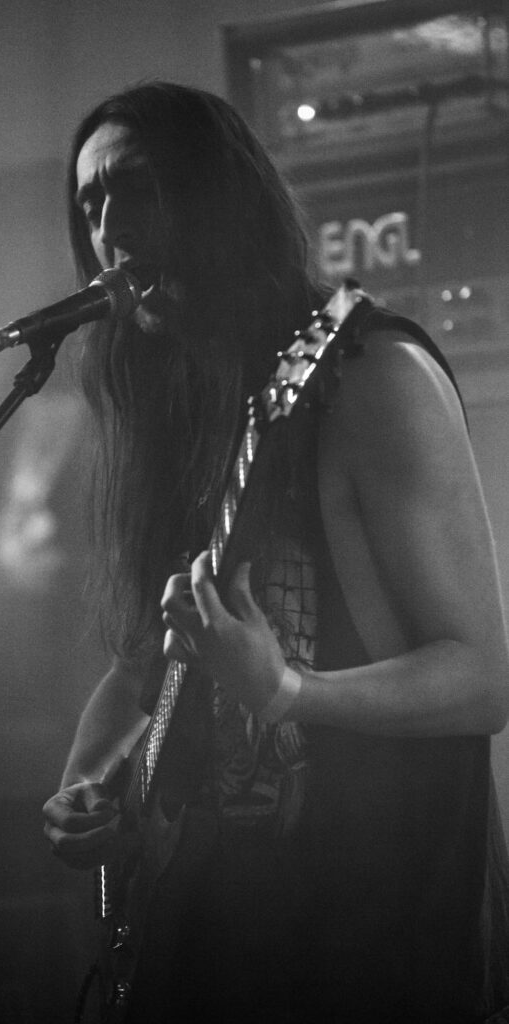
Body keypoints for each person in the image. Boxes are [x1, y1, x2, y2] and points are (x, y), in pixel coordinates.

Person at [43, 81, 509, 1024]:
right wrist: (86, 787)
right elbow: (145, 666)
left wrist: (291, 693)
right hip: (227, 935)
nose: (110, 230)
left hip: (382, 934)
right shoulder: (186, 413)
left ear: (221, 194)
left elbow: (484, 679)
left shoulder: (372, 375)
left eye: (136, 187)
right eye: (90, 204)